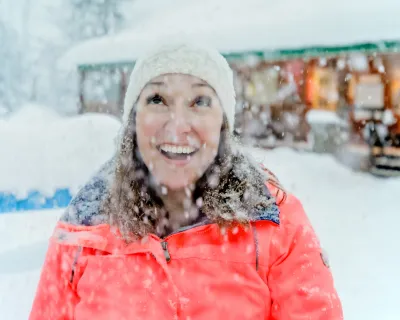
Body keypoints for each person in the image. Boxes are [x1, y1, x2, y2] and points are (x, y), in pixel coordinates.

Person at [29, 41, 343, 319]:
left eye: (200, 102)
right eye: (157, 100)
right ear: (134, 120)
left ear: (223, 122)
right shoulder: (82, 228)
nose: (178, 126)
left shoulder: (277, 225)